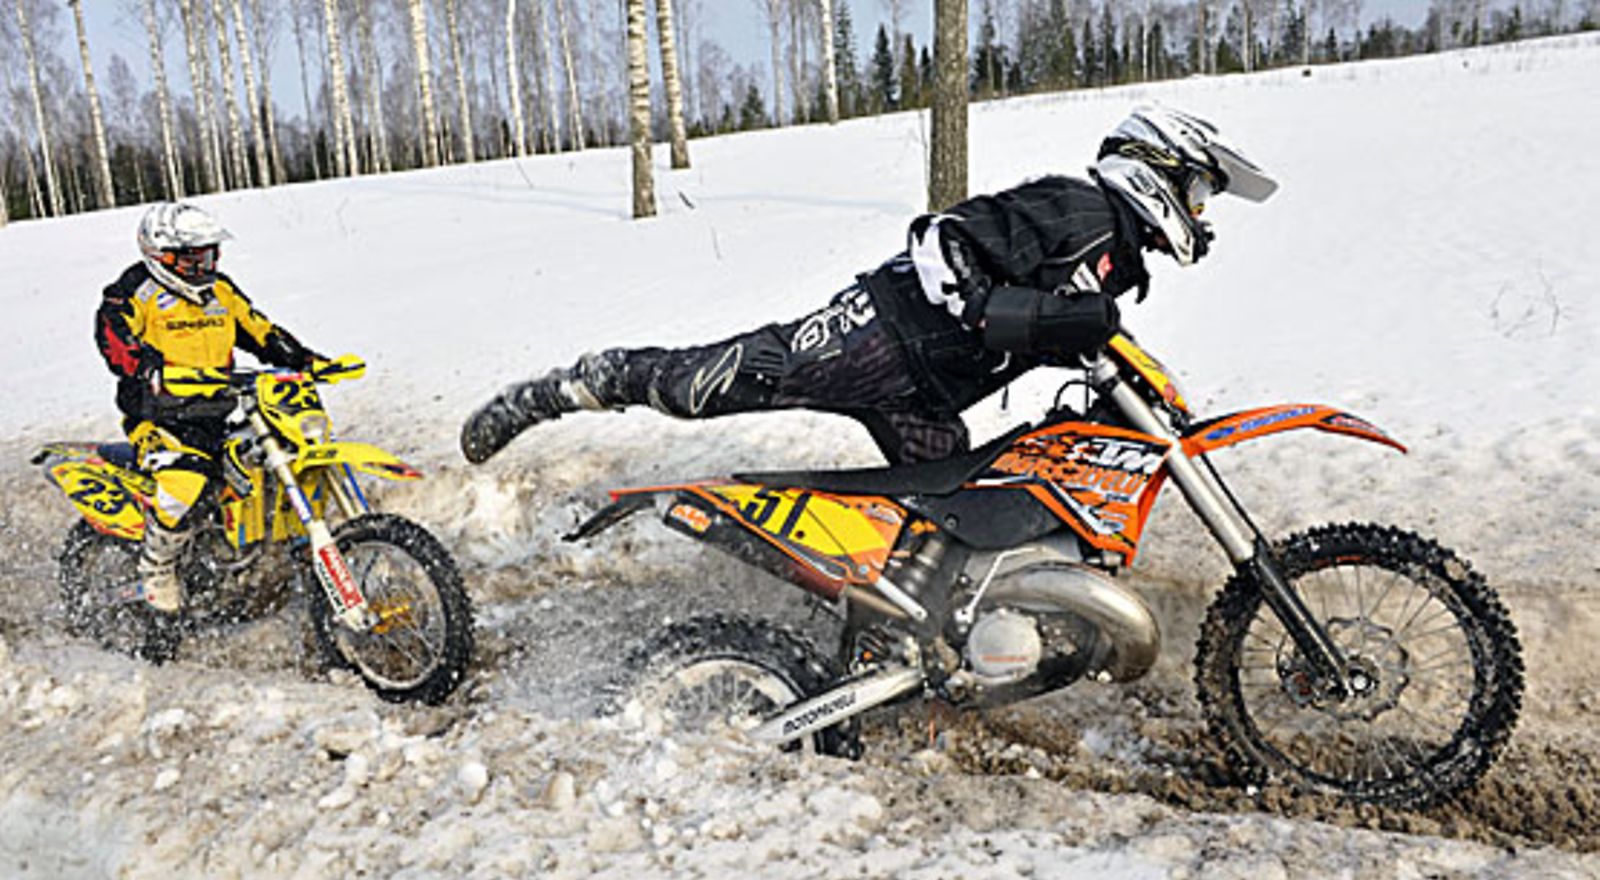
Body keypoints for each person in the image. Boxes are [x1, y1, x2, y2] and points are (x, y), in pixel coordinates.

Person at [460, 106, 1277, 467]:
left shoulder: (1118, 263)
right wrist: (986, 307)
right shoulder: (1079, 207)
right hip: (874, 337)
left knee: (946, 518)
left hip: (927, 393)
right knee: (699, 387)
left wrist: (1134, 386)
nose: (1203, 215)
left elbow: (1073, 334)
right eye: (1201, 194)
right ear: (1159, 172)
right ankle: (576, 384)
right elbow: (944, 237)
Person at [96, 202, 325, 615]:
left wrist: (305, 359)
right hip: (158, 417)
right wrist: (146, 366)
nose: (204, 264)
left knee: (267, 461)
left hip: (218, 411)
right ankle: (157, 569)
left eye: (209, 253)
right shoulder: (132, 291)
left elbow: (260, 329)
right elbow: (114, 338)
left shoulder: (220, 291)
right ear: (160, 254)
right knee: (185, 482)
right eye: (193, 256)